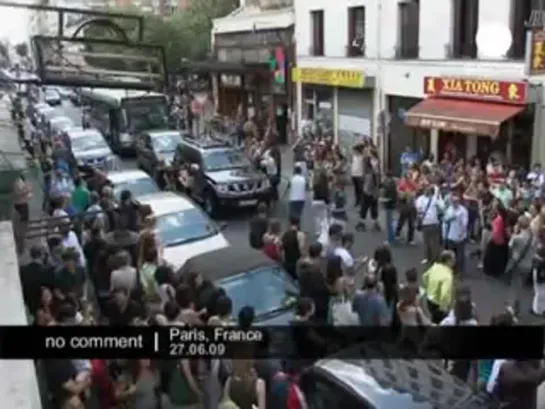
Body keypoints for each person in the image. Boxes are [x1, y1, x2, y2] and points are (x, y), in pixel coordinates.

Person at [506, 215, 535, 315]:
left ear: (519, 225)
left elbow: (509, 248)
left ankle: (514, 308)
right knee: (521, 286)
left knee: (516, 287)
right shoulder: (532, 236)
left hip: (518, 265)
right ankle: (516, 307)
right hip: (528, 265)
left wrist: (513, 232)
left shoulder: (517, 238)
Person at [422, 250, 455, 323]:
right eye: (453, 259)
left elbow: (424, 276)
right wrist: (444, 306)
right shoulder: (447, 276)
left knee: (433, 318)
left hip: (429, 299)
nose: (454, 261)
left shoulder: (435, 267)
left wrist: (429, 286)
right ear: (448, 261)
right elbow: (444, 293)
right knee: (441, 321)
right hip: (438, 304)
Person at [415, 185, 443, 264]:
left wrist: (439, 196)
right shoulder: (420, 199)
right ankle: (427, 257)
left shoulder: (434, 199)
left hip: (434, 223)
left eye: (428, 190)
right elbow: (418, 209)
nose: (426, 191)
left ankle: (435, 258)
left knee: (435, 243)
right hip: (425, 223)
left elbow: (442, 206)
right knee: (426, 242)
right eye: (425, 190)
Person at [442, 194, 468, 275]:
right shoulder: (449, 209)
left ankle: (460, 271)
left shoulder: (463, 210)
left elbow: (465, 223)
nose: (454, 203)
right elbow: (445, 220)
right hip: (450, 235)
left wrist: (461, 233)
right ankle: (450, 269)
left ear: (459, 202)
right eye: (453, 202)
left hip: (460, 236)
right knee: (451, 254)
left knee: (460, 255)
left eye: (456, 201)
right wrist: (450, 218)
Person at [357, 156, 380, 232]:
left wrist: (368, 192)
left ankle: (362, 224)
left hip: (368, 193)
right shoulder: (372, 171)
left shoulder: (369, 173)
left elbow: (370, 184)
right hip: (371, 192)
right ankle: (374, 224)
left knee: (364, 208)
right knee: (372, 209)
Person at [532, 246, 545, 315]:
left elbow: (538, 275)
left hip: (540, 281)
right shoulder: (540, 262)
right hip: (541, 281)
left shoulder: (540, 264)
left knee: (539, 295)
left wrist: (539, 280)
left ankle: (537, 311)